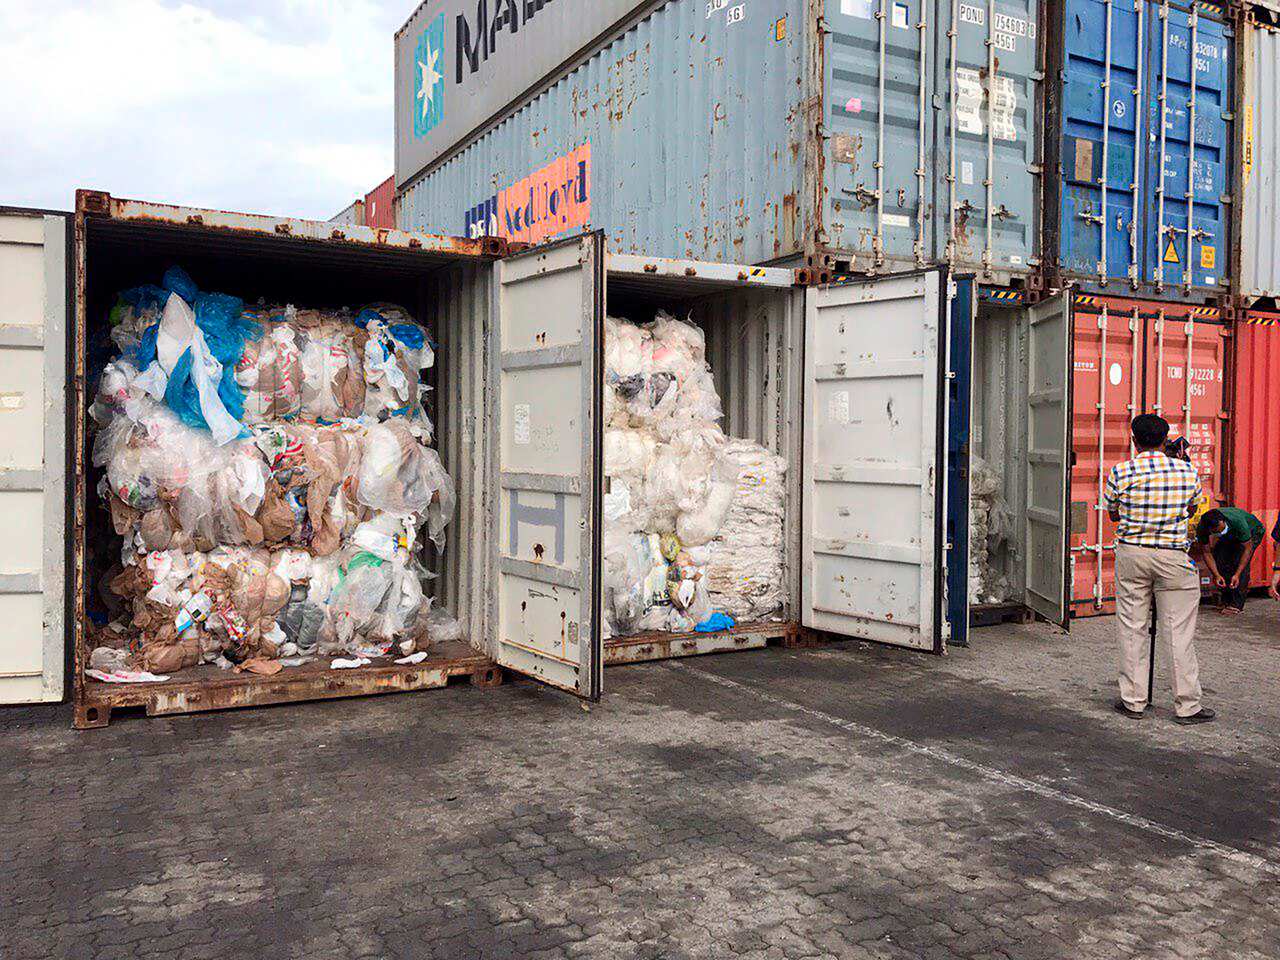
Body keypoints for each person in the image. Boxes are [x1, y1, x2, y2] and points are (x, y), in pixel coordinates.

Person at [1104, 414, 1214, 724]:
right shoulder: (1186, 471)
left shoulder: (1121, 471)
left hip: (1133, 555)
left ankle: (1134, 701)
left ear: (1134, 440)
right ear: (1166, 440)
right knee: (1178, 632)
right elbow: (1193, 508)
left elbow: (1113, 513)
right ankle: (1187, 706)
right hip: (1172, 557)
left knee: (1132, 626)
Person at [1197, 507, 1266, 614]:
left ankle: (1236, 604)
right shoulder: (1202, 528)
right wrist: (1216, 575)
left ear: (1223, 521)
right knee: (1220, 558)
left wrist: (1237, 574)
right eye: (1215, 531)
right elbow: (1206, 553)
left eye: (1220, 529)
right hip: (1230, 534)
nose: (1218, 532)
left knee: (1239, 562)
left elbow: (1247, 550)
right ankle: (1226, 600)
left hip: (1253, 531)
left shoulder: (1237, 521)